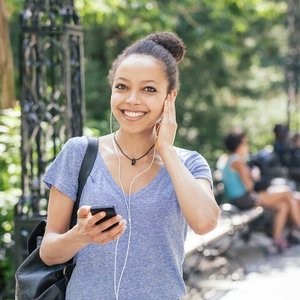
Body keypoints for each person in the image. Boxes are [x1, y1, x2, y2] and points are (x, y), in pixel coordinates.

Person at [39, 31, 220, 300]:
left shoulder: (188, 163)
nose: (132, 100)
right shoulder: (78, 153)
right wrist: (80, 236)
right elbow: (48, 251)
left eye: (149, 89)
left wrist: (166, 150)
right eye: (122, 87)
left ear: (170, 97)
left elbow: (205, 222)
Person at [220, 129, 300, 251]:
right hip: (243, 200)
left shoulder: (230, 159)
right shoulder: (237, 161)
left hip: (241, 198)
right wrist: (254, 175)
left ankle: (277, 240)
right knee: (287, 193)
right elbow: (250, 186)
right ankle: (297, 226)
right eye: (245, 143)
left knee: (283, 205)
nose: (247, 146)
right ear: (239, 145)